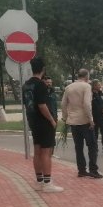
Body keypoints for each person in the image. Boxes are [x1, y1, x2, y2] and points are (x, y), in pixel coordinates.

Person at [22, 57, 63, 193]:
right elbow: (42, 105)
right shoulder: (41, 85)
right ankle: (47, 183)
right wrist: (51, 120)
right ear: (43, 70)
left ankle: (39, 181)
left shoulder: (26, 85)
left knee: (37, 151)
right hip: (44, 122)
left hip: (33, 121)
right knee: (46, 152)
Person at [60, 69, 101, 178]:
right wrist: (91, 120)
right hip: (84, 120)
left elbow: (63, 104)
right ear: (86, 76)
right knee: (92, 146)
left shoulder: (69, 87)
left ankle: (81, 170)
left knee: (78, 147)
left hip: (73, 121)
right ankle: (93, 169)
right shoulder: (86, 86)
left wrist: (65, 117)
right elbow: (87, 104)